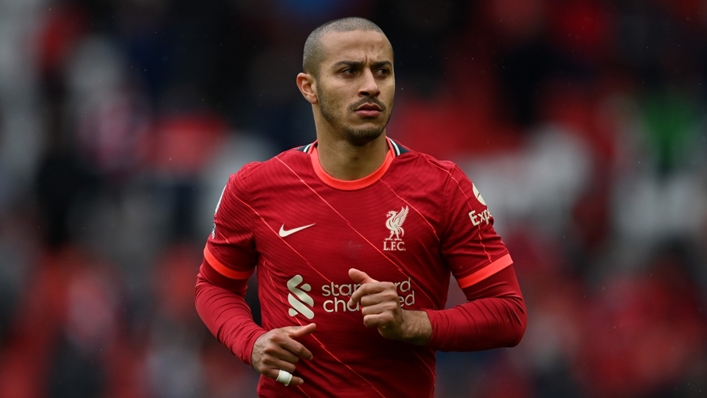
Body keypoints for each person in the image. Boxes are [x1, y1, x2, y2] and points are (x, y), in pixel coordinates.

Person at [195, 17, 527, 397]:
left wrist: (412, 323)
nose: (370, 86)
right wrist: (250, 342)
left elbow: (508, 313)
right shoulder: (256, 187)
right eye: (349, 72)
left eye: (382, 72)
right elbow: (214, 285)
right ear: (309, 87)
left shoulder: (443, 187)